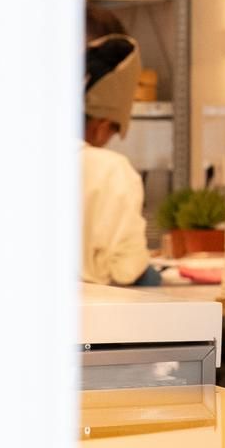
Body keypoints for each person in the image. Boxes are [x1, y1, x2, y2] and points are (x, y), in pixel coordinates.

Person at [83, 33, 157, 287]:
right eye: (114, 131)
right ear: (101, 126)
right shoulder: (111, 169)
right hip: (94, 317)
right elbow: (126, 269)